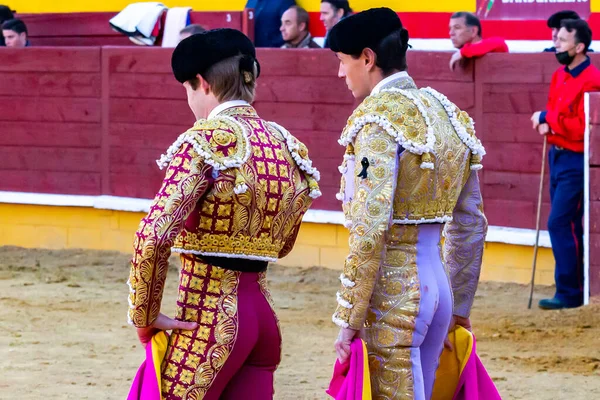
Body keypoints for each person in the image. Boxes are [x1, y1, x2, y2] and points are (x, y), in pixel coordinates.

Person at [126, 28, 321, 399]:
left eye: (187, 89)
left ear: (202, 83)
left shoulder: (203, 139)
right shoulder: (286, 145)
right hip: (263, 317)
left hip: (208, 316)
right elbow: (283, 244)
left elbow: (153, 236)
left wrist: (145, 315)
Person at [328, 8, 487, 399]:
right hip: (441, 292)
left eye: (342, 62)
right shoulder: (449, 115)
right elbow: (471, 224)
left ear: (367, 59)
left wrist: (349, 316)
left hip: (394, 292)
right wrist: (459, 306)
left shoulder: (376, 119)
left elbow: (371, 224)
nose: (340, 73)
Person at [531, 19, 600, 310]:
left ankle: (570, 292)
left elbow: (584, 127)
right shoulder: (560, 74)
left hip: (575, 158)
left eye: (562, 40)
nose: (556, 44)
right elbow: (558, 115)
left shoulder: (593, 78)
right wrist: (549, 121)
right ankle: (568, 288)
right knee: (565, 223)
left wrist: (548, 120)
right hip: (557, 155)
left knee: (560, 222)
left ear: (580, 46)